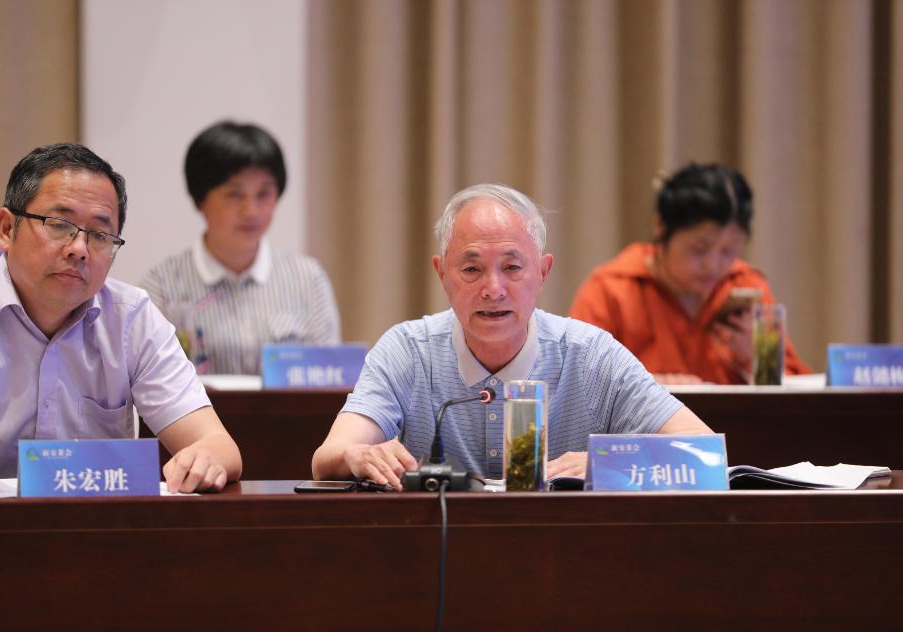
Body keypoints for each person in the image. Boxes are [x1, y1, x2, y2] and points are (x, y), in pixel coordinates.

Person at [312, 183, 712, 490]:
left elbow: (704, 453)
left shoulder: (592, 355)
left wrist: (604, 462)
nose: (493, 289)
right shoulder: (407, 351)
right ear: (442, 273)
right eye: (472, 270)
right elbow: (328, 456)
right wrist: (359, 455)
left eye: (512, 267)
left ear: (543, 272)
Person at [0, 143, 242, 492]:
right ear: (6, 228)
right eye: (59, 225)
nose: (79, 249)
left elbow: (218, 445)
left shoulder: (131, 319)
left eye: (99, 235)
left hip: (94, 523)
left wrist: (204, 458)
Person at [569, 163, 811, 385]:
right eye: (700, 249)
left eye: (728, 251)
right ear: (661, 226)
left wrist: (757, 360)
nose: (713, 265)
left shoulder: (747, 285)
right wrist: (647, 386)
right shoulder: (610, 290)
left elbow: (796, 392)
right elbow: (578, 382)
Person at [139, 121, 341, 375]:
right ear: (200, 200)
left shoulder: (307, 279)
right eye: (234, 194)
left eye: (263, 194)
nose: (251, 211)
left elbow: (328, 377)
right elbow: (148, 378)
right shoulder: (162, 285)